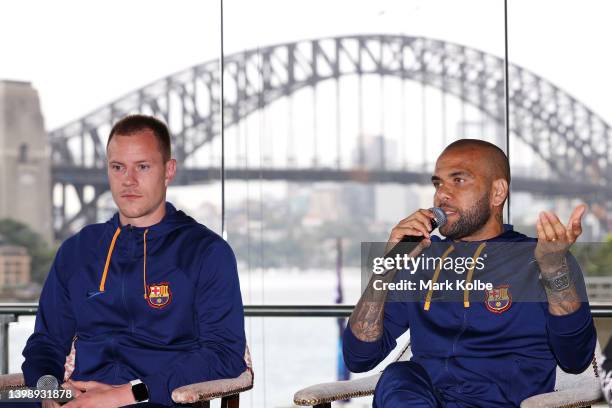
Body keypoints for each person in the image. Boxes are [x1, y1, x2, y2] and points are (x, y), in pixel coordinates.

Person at [343, 139, 597, 407]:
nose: (442, 194)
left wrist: (554, 268)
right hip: (423, 401)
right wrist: (387, 266)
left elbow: (575, 359)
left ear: (497, 192)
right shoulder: (421, 258)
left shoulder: (540, 258)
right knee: (399, 376)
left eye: (459, 181)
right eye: (438, 183)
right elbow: (360, 358)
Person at [19, 115, 246, 408]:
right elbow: (45, 343)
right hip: (76, 397)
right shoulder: (78, 250)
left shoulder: (206, 252)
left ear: (168, 170)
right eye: (118, 167)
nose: (128, 180)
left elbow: (223, 353)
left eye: (143, 166)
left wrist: (124, 394)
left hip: (154, 398)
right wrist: (49, 391)